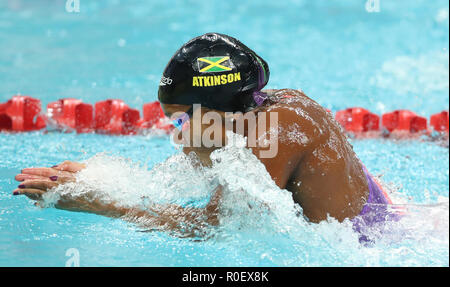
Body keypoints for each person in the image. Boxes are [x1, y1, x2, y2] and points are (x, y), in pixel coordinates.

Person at [13, 33, 393, 236]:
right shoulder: (252, 110)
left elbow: (214, 229)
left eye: (179, 121)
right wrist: (103, 180)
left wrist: (103, 204)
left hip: (369, 245)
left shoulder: (274, 132)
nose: (177, 137)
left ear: (212, 113)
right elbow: (194, 192)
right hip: (375, 209)